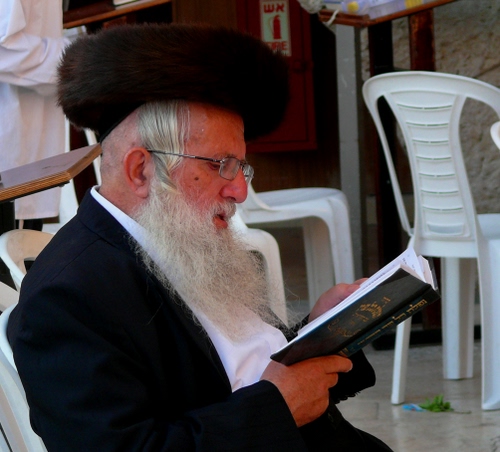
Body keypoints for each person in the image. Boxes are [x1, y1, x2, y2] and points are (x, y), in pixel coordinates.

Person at [8, 23, 393, 451]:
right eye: (219, 165)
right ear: (141, 170)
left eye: (241, 167)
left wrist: (320, 334)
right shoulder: (65, 299)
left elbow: (239, 370)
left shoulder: (185, 241)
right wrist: (275, 409)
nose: (239, 190)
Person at [0, 0, 71, 230]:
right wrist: (78, 57)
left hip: (27, 148)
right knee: (14, 243)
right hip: (14, 149)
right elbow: (3, 50)